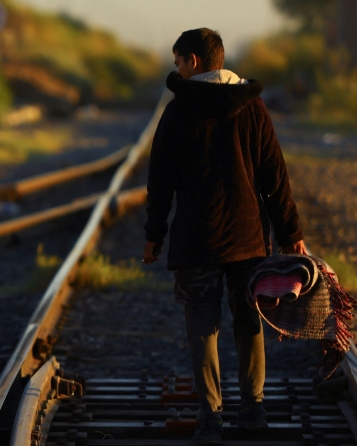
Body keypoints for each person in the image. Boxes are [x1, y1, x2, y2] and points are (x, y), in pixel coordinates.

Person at [142, 28, 306, 445]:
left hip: (196, 240)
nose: (177, 69)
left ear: (193, 61)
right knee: (249, 320)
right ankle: (253, 412)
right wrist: (290, 232)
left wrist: (154, 235)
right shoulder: (253, 108)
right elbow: (274, 176)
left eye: (178, 61)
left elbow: (160, 182)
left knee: (202, 327)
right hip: (248, 238)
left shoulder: (178, 111)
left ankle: (210, 421)